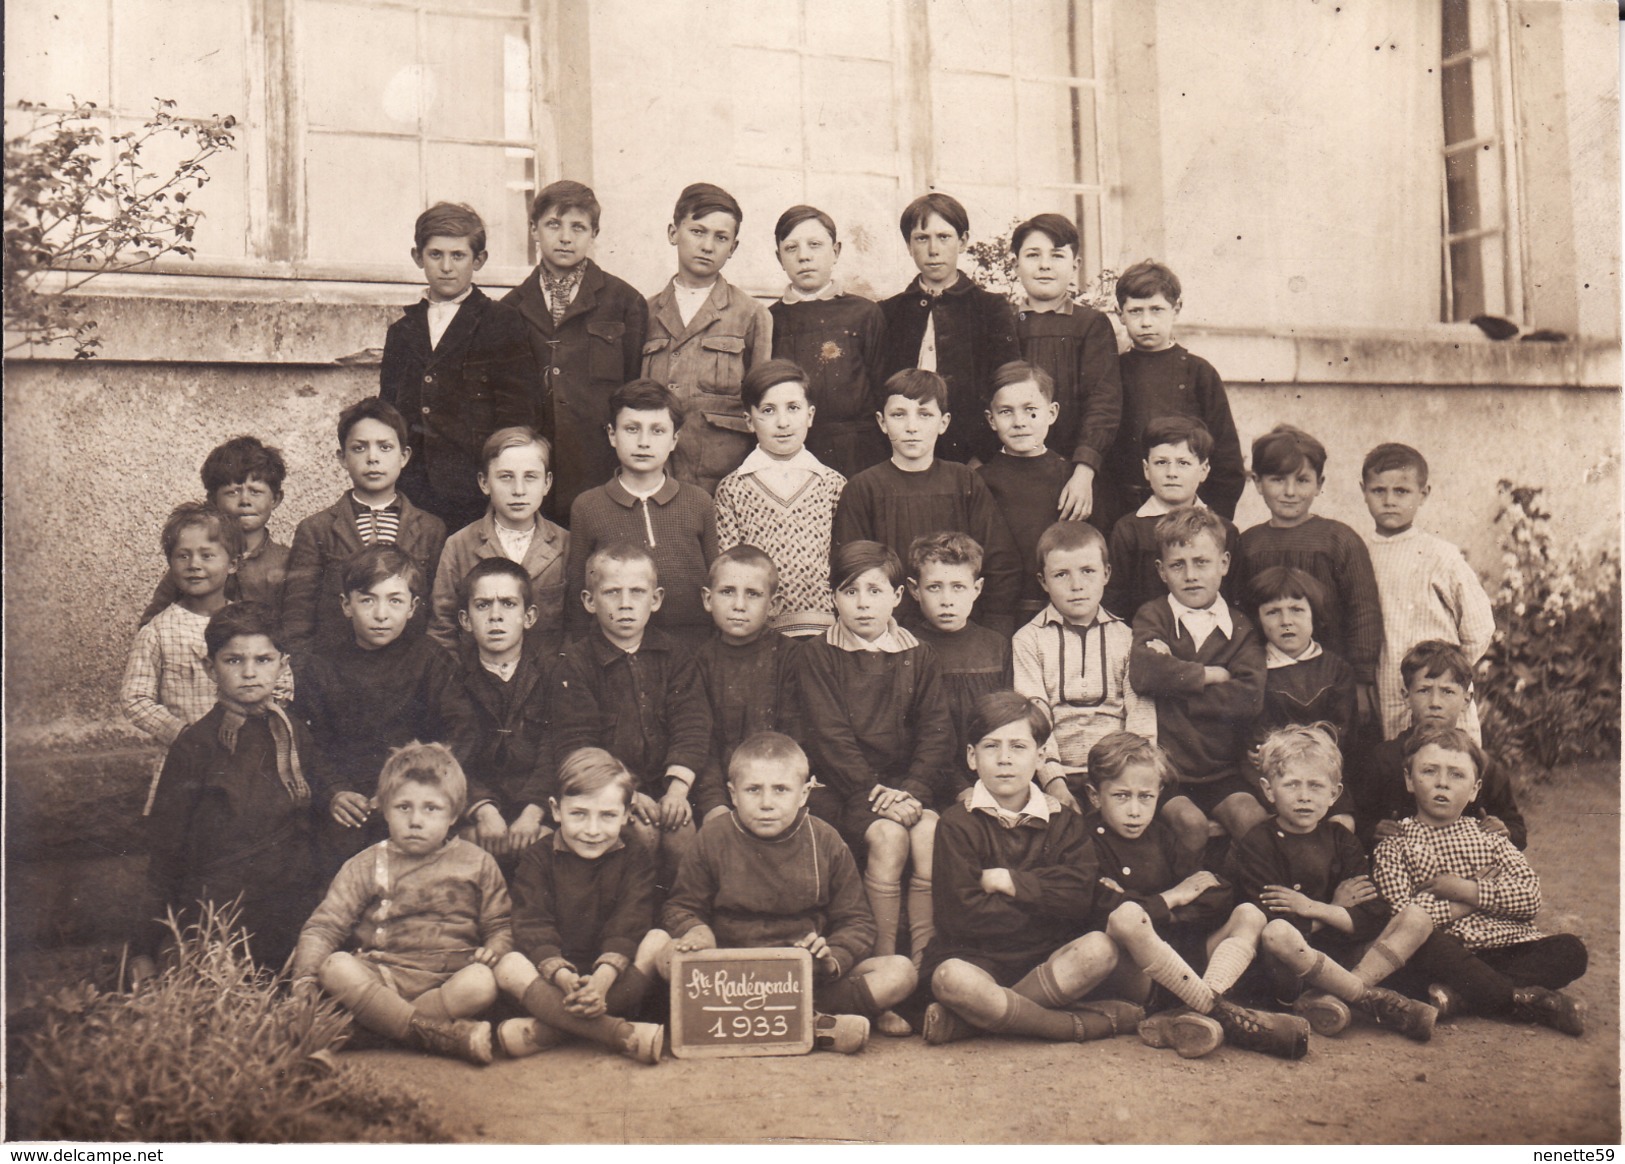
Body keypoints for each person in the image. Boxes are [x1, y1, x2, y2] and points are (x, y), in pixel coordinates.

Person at [648, 731, 918, 1054]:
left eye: (780, 790)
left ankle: (796, 1017)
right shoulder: (714, 837)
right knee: (663, 950)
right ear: (733, 794)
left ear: (804, 794)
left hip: (803, 977)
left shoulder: (825, 840)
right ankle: (816, 1026)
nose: (766, 803)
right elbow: (679, 906)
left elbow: (857, 922)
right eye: (753, 790)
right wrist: (697, 931)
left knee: (900, 972)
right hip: (729, 976)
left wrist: (831, 956)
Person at [917, 693, 1142, 1047]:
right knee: (950, 979)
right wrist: (1045, 902)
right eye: (991, 746)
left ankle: (974, 1023)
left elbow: (1078, 898)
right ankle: (1071, 1026)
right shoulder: (957, 824)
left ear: (1039, 757)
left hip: (1046, 960)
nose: (1005, 759)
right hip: (977, 960)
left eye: (1018, 747)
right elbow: (960, 916)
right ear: (972, 758)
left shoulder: (1064, 821)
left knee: (1099, 949)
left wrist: (1013, 884)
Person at [1080, 732, 1307, 1060]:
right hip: (1134, 974)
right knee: (1127, 918)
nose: (1134, 810)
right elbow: (1101, 910)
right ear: (1094, 796)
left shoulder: (1161, 836)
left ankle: (1196, 1010)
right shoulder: (1085, 841)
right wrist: (1174, 897)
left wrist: (1165, 909)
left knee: (1249, 914)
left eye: (1145, 797)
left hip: (1181, 961)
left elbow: (1214, 893)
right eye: (1121, 796)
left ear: (1159, 793)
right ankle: (1222, 1013)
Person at [791, 541, 955, 982]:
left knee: (930, 832)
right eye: (849, 591)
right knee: (887, 838)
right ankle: (882, 963)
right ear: (833, 597)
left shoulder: (919, 655)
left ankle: (924, 964)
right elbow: (830, 738)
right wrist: (874, 793)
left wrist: (915, 789)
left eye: (874, 590)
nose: (863, 603)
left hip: (905, 787)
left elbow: (935, 732)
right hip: (847, 789)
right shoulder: (817, 654)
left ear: (898, 596)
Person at [289, 741, 512, 1065]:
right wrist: (305, 979)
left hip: (447, 979)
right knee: (336, 966)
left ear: (453, 814)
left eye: (431, 808)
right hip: (382, 975)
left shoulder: (477, 862)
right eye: (403, 807)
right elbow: (325, 926)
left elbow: (499, 924)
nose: (416, 820)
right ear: (384, 808)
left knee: (482, 983)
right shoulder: (367, 863)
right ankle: (437, 1036)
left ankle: (373, 1031)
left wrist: (497, 946)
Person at [132, 601, 320, 982]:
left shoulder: (295, 733)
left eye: (264, 660)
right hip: (220, 913)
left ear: (283, 664)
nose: (250, 673)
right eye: (233, 661)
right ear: (209, 666)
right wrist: (142, 949)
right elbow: (166, 855)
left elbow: (314, 826)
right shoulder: (194, 746)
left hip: (288, 907)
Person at [1372, 727, 1588, 1037]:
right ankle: (1522, 999)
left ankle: (1460, 998)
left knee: (1571, 950)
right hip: (1448, 951)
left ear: (1475, 789)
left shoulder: (1490, 836)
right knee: (1416, 955)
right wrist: (1463, 906)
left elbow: (1529, 897)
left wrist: (1468, 889)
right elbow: (1402, 916)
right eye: (1429, 771)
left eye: (1457, 775)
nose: (1442, 782)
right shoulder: (1395, 844)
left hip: (1508, 945)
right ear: (1409, 779)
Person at [1238, 726, 1437, 1041]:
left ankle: (1331, 997)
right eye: (1292, 785)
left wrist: (1313, 908)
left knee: (1417, 917)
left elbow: (1373, 914)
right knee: (1277, 933)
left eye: (1316, 786)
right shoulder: (1257, 843)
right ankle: (1363, 997)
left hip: (1343, 957)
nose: (1304, 796)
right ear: (1268, 789)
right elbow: (1278, 923)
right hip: (1289, 971)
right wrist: (1336, 910)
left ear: (1334, 793)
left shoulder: (1342, 840)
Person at [291, 546, 477, 873]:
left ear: (412, 607)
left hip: (416, 796)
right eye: (367, 600)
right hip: (349, 802)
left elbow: (462, 731)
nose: (380, 614)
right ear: (346, 605)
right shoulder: (320, 664)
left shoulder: (429, 659)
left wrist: (417, 785)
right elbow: (309, 742)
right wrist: (335, 792)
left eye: (394, 600)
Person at [551, 543, 710, 889]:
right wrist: (629, 794)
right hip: (609, 792)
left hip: (667, 786)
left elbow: (692, 724)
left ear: (655, 599)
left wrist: (677, 791)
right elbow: (578, 744)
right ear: (589, 601)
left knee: (682, 834)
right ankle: (634, 918)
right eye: (612, 592)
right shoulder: (576, 664)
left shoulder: (675, 656)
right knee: (641, 835)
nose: (625, 603)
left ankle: (680, 916)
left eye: (637, 592)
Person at [492, 747, 665, 1065]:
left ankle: (552, 1028)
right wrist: (561, 976)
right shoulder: (538, 857)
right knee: (508, 965)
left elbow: (632, 918)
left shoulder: (635, 855)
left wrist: (600, 981)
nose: (593, 829)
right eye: (579, 814)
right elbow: (531, 923)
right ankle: (616, 1032)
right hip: (555, 978)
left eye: (608, 815)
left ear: (627, 814)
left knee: (659, 942)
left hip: (613, 979)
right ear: (556, 811)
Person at [380, 202, 534, 532]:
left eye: (458, 256)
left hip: (474, 490)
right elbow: (388, 414)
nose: (446, 267)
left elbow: (518, 417)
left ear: (479, 260)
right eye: (435, 255)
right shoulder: (402, 332)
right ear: (417, 257)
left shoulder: (501, 322)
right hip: (413, 488)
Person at [502, 179, 648, 523]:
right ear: (534, 229)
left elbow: (634, 387)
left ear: (594, 234)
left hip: (599, 466)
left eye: (578, 227)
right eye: (553, 224)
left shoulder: (624, 302)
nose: (565, 237)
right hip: (532, 471)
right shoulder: (509, 309)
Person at [833, 368, 1021, 633]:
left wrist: (992, 628)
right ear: (882, 422)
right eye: (899, 415)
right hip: (889, 632)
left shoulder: (964, 481)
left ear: (943, 423)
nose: (912, 427)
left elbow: (1000, 560)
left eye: (925, 415)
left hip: (960, 629)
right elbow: (852, 569)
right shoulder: (863, 488)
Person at [1129, 507, 1267, 853]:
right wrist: (1206, 675)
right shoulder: (1154, 615)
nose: (1190, 575)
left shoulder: (1239, 627)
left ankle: (1252, 899)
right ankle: (1185, 900)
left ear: (1223, 563)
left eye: (1201, 562)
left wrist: (1173, 690)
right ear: (1162, 571)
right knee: (1190, 824)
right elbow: (1143, 672)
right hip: (1168, 771)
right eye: (1178, 564)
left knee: (1252, 819)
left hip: (1222, 768)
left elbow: (1248, 697)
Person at [1233, 423, 1383, 722]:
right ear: (1257, 482)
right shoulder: (1247, 544)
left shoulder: (1339, 540)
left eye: (1302, 480)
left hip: (1332, 681)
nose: (1290, 492)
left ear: (1319, 483)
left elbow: (1363, 611)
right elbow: (1239, 614)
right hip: (1268, 681)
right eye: (1277, 480)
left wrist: (1362, 681)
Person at [283, 398, 447, 655]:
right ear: (342, 458)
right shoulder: (316, 529)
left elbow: (439, 614)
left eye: (385, 447)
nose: (372, 458)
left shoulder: (430, 529)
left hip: (410, 671)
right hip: (336, 671)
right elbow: (297, 620)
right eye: (359, 448)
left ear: (404, 457)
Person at [1012, 521, 1155, 811]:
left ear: (1106, 574)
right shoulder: (1028, 639)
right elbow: (1034, 718)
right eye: (1061, 574)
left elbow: (1140, 715)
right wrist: (1054, 782)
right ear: (1043, 581)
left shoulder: (1127, 638)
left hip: (1118, 774)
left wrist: (1126, 778)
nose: (1076, 585)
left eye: (1088, 571)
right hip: (1054, 774)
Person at [564, 380, 719, 647]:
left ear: (674, 440)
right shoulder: (588, 506)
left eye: (657, 431)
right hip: (617, 650)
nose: (644, 442)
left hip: (693, 649)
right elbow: (578, 593)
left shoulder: (699, 502)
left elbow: (715, 584)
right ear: (612, 434)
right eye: (632, 429)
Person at [642, 182, 772, 494]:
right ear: (674, 233)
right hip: (654, 478)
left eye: (721, 237)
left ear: (733, 247)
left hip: (724, 482)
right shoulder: (644, 312)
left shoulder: (751, 315)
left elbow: (762, 410)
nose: (707, 245)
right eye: (697, 231)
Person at [1360, 442, 1495, 741]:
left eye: (1402, 491)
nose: (1389, 501)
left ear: (1424, 494)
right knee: (1401, 760)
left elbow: (1479, 625)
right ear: (1363, 491)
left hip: (1440, 688)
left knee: (1451, 757)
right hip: (1388, 684)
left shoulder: (1440, 556)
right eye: (1378, 490)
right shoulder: (1360, 553)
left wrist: (1449, 671)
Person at [879, 192, 1020, 465]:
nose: (933, 249)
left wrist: (982, 453)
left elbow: (1005, 385)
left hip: (971, 456)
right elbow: (879, 390)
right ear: (909, 244)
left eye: (944, 237)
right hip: (902, 454)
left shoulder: (990, 308)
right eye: (922, 238)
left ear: (963, 241)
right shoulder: (888, 312)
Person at [1101, 260, 1244, 528]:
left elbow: (1227, 459)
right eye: (1135, 311)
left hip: (1190, 518)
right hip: (1126, 515)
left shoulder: (1199, 373)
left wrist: (1212, 522)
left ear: (1176, 309)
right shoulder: (1112, 372)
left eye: (1156, 310)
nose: (1146, 322)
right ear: (1119, 313)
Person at [1348, 640, 1526, 850]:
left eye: (1447, 692)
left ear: (1467, 700)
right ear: (1406, 696)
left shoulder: (1482, 765)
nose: (1435, 702)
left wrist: (1505, 830)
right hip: (1398, 870)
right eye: (1424, 690)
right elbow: (1356, 821)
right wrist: (1372, 831)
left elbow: (1517, 830)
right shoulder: (1383, 759)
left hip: (1464, 870)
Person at [713, 359, 846, 637]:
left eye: (793, 408)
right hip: (759, 632)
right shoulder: (733, 488)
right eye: (769, 411)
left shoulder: (833, 484)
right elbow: (729, 565)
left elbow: (844, 563)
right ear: (750, 420)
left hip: (824, 631)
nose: (783, 422)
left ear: (810, 415)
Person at [1008, 213, 1121, 524]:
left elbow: (1104, 402)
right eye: (1033, 255)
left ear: (1075, 265)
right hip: (1014, 473)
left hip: (1075, 478)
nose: (1045, 265)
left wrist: (1085, 469)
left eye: (1057, 255)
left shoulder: (1091, 325)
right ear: (1015, 264)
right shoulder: (1004, 323)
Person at [427, 426, 568, 663]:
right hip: (475, 683)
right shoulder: (459, 545)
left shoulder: (566, 544)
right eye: (506, 477)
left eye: (530, 477)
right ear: (484, 482)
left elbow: (576, 628)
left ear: (547, 483)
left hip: (549, 683)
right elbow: (442, 628)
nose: (519, 490)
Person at [767, 205, 888, 479]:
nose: (804, 256)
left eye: (815, 245)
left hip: (860, 452)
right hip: (793, 453)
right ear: (779, 257)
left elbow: (882, 388)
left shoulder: (864, 313)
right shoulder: (768, 319)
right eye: (791, 248)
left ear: (835, 251)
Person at [451, 557, 555, 864]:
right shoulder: (452, 680)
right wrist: (482, 808)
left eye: (508, 604)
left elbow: (557, 748)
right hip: (479, 813)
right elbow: (452, 754)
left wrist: (535, 811)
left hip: (537, 810)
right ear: (465, 620)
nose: (496, 616)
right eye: (483, 605)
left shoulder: (553, 673)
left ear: (529, 616)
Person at [121, 502, 244, 758]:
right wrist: (181, 733)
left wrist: (254, 723)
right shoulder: (158, 632)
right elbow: (135, 699)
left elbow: (281, 681)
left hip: (244, 754)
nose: (194, 565)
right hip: (184, 758)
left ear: (233, 563)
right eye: (183, 555)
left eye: (207, 555)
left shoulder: (248, 625)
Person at [693, 546, 802, 823]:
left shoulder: (792, 658)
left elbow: (794, 735)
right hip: (717, 794)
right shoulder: (698, 662)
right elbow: (700, 743)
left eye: (753, 594)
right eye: (727, 592)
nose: (739, 605)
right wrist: (714, 803)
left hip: (774, 795)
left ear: (774, 604)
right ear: (708, 599)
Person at [1245, 566, 1358, 830]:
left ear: (1314, 615)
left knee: (1342, 825)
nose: (1286, 621)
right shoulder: (1253, 667)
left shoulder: (1336, 669)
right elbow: (1253, 730)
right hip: (1275, 776)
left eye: (1296, 610)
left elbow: (1343, 731)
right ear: (1259, 619)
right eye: (1273, 612)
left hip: (1323, 773)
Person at [139, 436, 291, 625]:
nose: (245, 501)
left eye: (256, 491)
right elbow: (151, 622)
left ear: (275, 499)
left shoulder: (287, 562)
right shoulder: (195, 563)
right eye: (232, 492)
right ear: (213, 500)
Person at [1103, 414, 1239, 621]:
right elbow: (1116, 599)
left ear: (1203, 470)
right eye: (1161, 462)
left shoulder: (1224, 529)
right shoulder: (1129, 529)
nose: (1171, 472)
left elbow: (1233, 600)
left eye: (1183, 463)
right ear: (1146, 470)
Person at [906, 532, 1012, 770]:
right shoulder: (907, 648)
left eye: (958, 587)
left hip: (989, 772)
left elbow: (1006, 723)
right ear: (915, 590)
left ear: (977, 589)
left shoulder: (996, 646)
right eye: (934, 587)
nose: (947, 600)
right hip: (927, 775)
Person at [976, 361, 1074, 618]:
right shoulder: (979, 481)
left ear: (1051, 413)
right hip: (998, 613)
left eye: (1030, 410)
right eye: (1006, 412)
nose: (1019, 422)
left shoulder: (1071, 477)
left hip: (1062, 610)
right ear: (991, 419)